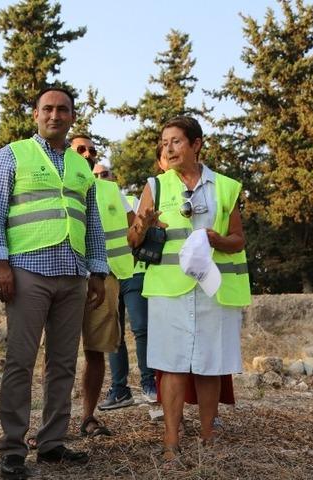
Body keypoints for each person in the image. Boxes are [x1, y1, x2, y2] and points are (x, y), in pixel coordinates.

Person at [0, 86, 108, 480]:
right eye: (48, 109)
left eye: (63, 110)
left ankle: (52, 443)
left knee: (62, 363)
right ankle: (13, 450)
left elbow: (93, 222)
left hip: (72, 273)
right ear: (36, 114)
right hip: (26, 273)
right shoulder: (12, 155)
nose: (55, 115)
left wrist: (98, 271)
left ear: (72, 117)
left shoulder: (79, 165)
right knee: (20, 362)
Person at [128, 116, 250, 465]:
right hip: (170, 289)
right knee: (172, 363)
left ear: (196, 144)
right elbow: (133, 240)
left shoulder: (226, 187)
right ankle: (171, 441)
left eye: (176, 141)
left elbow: (238, 240)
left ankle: (209, 436)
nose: (168, 148)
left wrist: (218, 240)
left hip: (213, 288)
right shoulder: (156, 185)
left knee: (210, 363)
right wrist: (143, 223)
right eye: (165, 142)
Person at [69, 135, 133, 437]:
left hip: (104, 278)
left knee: (96, 351)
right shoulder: (58, 184)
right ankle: (49, 424)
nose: (87, 153)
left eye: (92, 150)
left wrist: (146, 226)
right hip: (62, 275)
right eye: (80, 148)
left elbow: (135, 229)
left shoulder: (111, 190)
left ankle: (88, 417)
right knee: (57, 353)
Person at [99, 146, 164, 411]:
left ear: (113, 177)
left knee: (141, 328)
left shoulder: (126, 199)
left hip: (133, 271)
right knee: (113, 335)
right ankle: (119, 389)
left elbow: (139, 229)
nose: (102, 178)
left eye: (106, 174)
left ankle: (150, 384)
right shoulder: (83, 197)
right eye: (98, 174)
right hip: (106, 275)